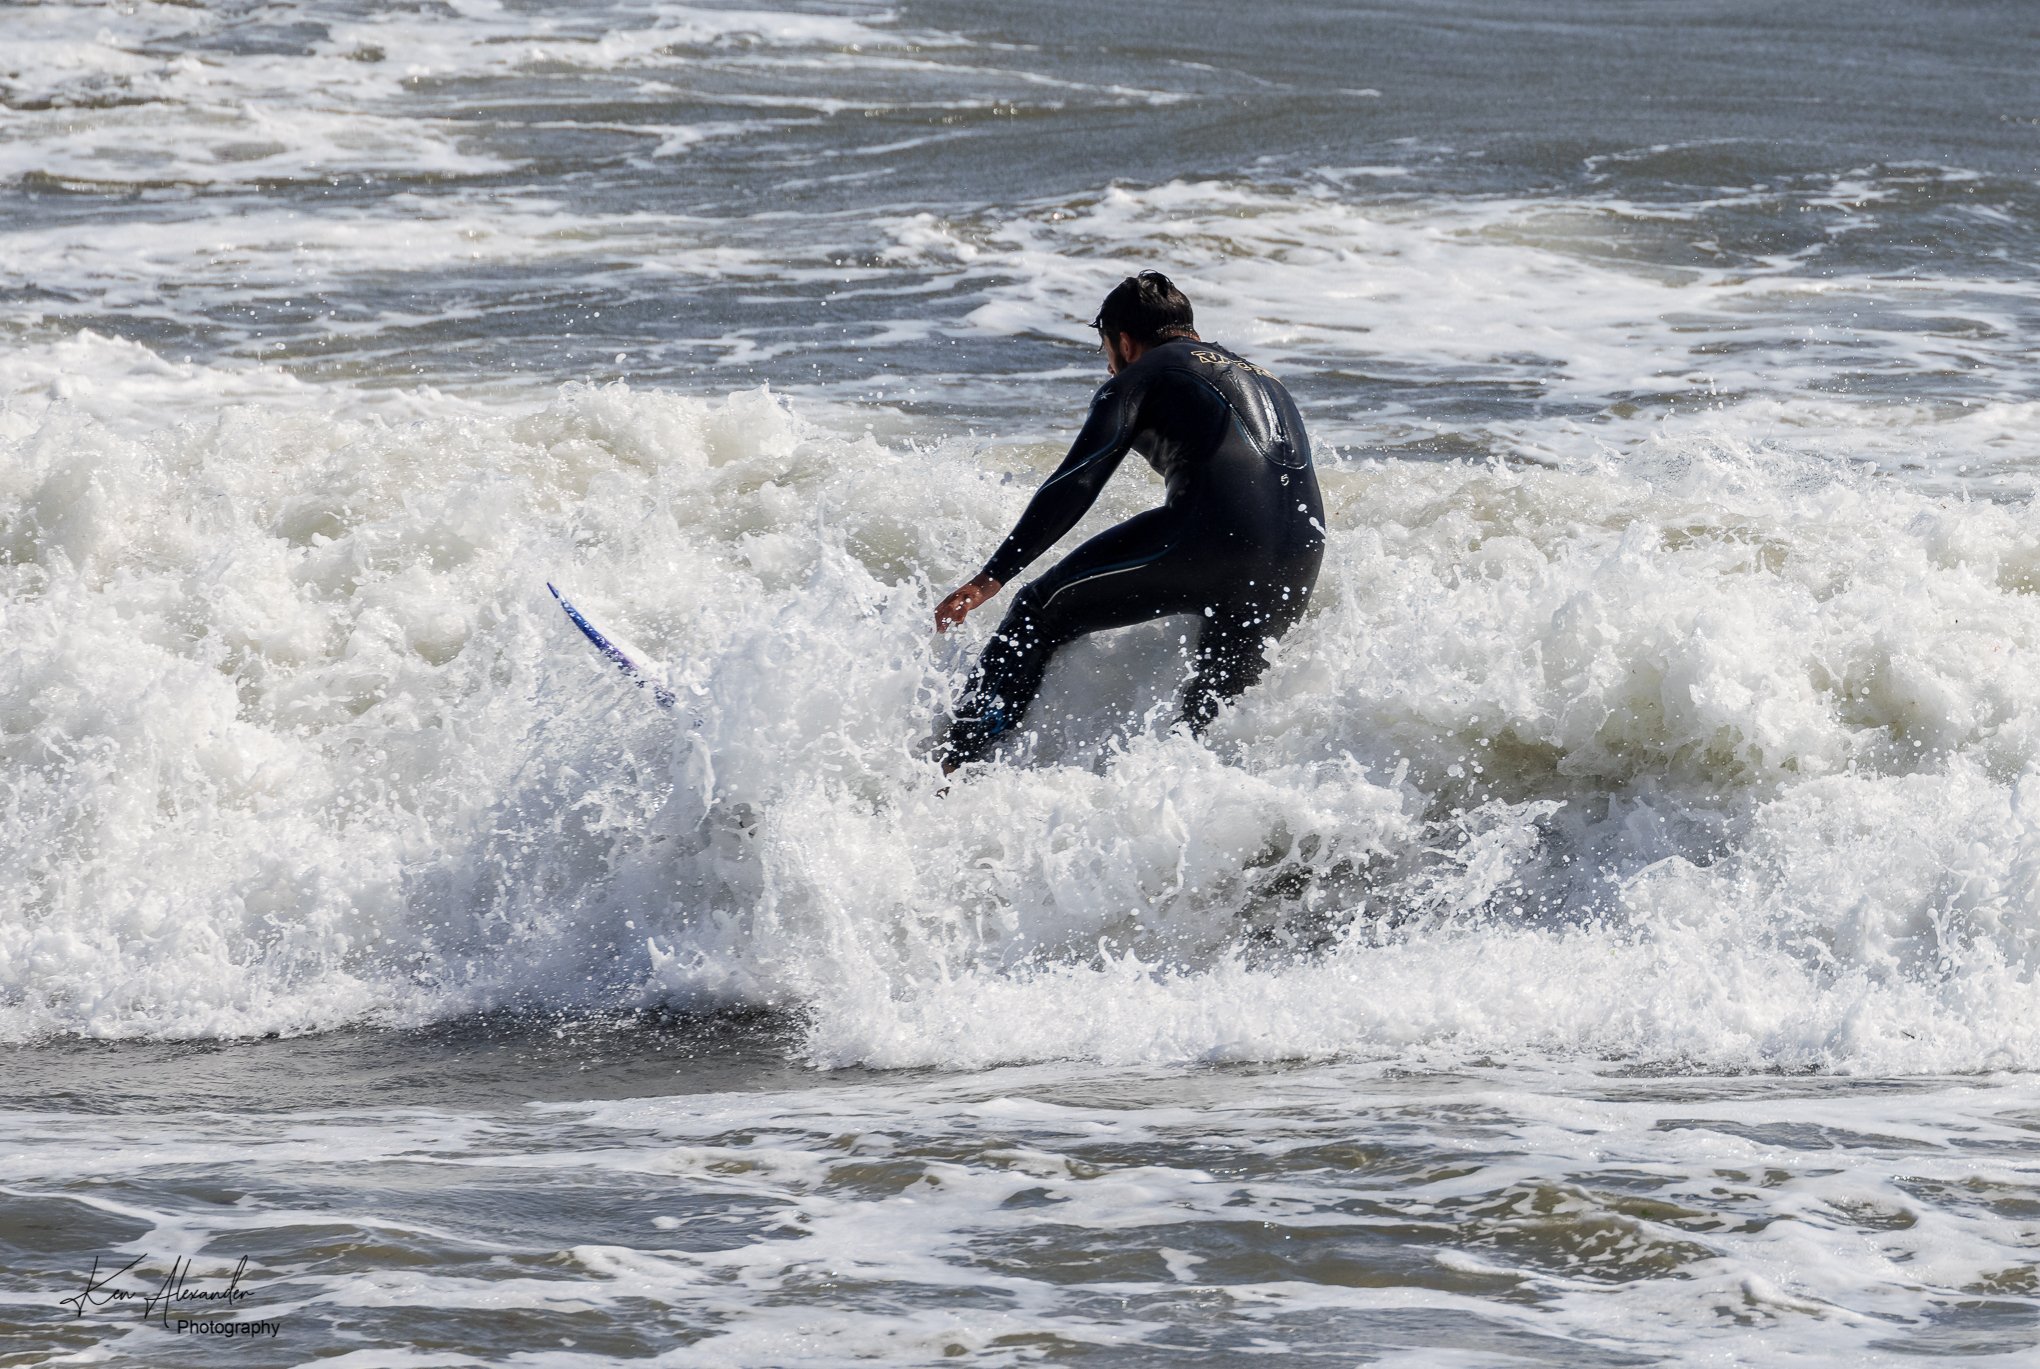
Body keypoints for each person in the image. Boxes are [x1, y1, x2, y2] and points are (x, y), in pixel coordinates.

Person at [933, 271, 1324, 771]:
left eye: (1106, 352)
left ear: (1122, 341)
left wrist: (991, 578)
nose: (1110, 366)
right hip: (1297, 563)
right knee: (1205, 725)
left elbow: (1076, 480)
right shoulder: (1264, 377)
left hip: (1210, 536)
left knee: (1038, 609)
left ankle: (949, 769)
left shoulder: (1145, 374)